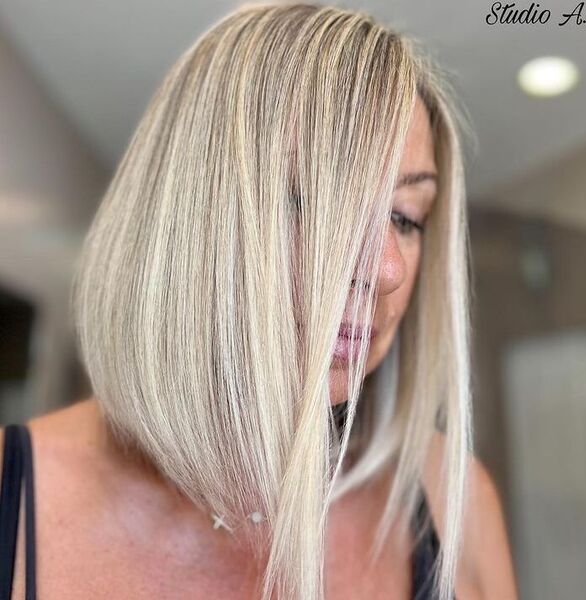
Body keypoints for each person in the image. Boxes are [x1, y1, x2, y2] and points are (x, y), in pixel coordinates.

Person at [0, 3, 518, 599]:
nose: (387, 269)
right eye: (319, 203)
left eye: (405, 217)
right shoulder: (16, 503)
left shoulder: (455, 504)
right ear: (186, 211)